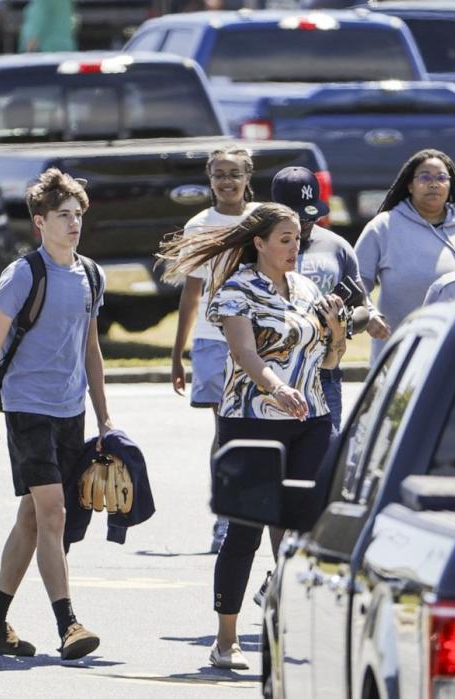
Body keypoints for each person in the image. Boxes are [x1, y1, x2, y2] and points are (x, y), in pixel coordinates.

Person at [159, 203, 348, 671]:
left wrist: (339, 332)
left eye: (296, 239)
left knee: (309, 529)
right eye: (284, 239)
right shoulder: (235, 291)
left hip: (310, 420)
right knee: (245, 531)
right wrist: (277, 388)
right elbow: (244, 353)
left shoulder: (307, 289)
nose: (293, 246)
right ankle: (226, 640)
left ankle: (293, 625)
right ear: (259, 243)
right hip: (252, 422)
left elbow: (327, 361)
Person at [0, 168, 113, 661]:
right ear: (40, 222)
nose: (73, 224)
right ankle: (68, 624)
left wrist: (104, 417)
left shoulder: (91, 274)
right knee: (52, 512)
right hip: (27, 408)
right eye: (62, 216)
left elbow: (91, 350)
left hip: (70, 411)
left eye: (77, 215)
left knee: (33, 519)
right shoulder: (23, 274)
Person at [169, 145, 258, 553]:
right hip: (212, 340)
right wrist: (178, 352)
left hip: (262, 340)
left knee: (258, 429)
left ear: (247, 177)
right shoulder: (199, 225)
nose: (226, 181)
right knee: (226, 430)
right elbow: (192, 292)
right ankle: (224, 518)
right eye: (219, 174)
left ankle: (253, 513)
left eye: (234, 174)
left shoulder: (262, 220)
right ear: (209, 179)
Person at [269, 165, 372, 428]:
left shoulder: (337, 247)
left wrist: (340, 320)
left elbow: (363, 308)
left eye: (310, 216)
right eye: (298, 217)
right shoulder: (256, 249)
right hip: (271, 374)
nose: (306, 224)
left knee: (323, 458)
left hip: (323, 372)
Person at [355, 148, 455, 363]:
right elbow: (355, 279)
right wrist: (369, 314)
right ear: (409, 185)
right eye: (425, 177)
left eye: (441, 177)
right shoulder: (384, 226)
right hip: (399, 353)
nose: (434, 183)